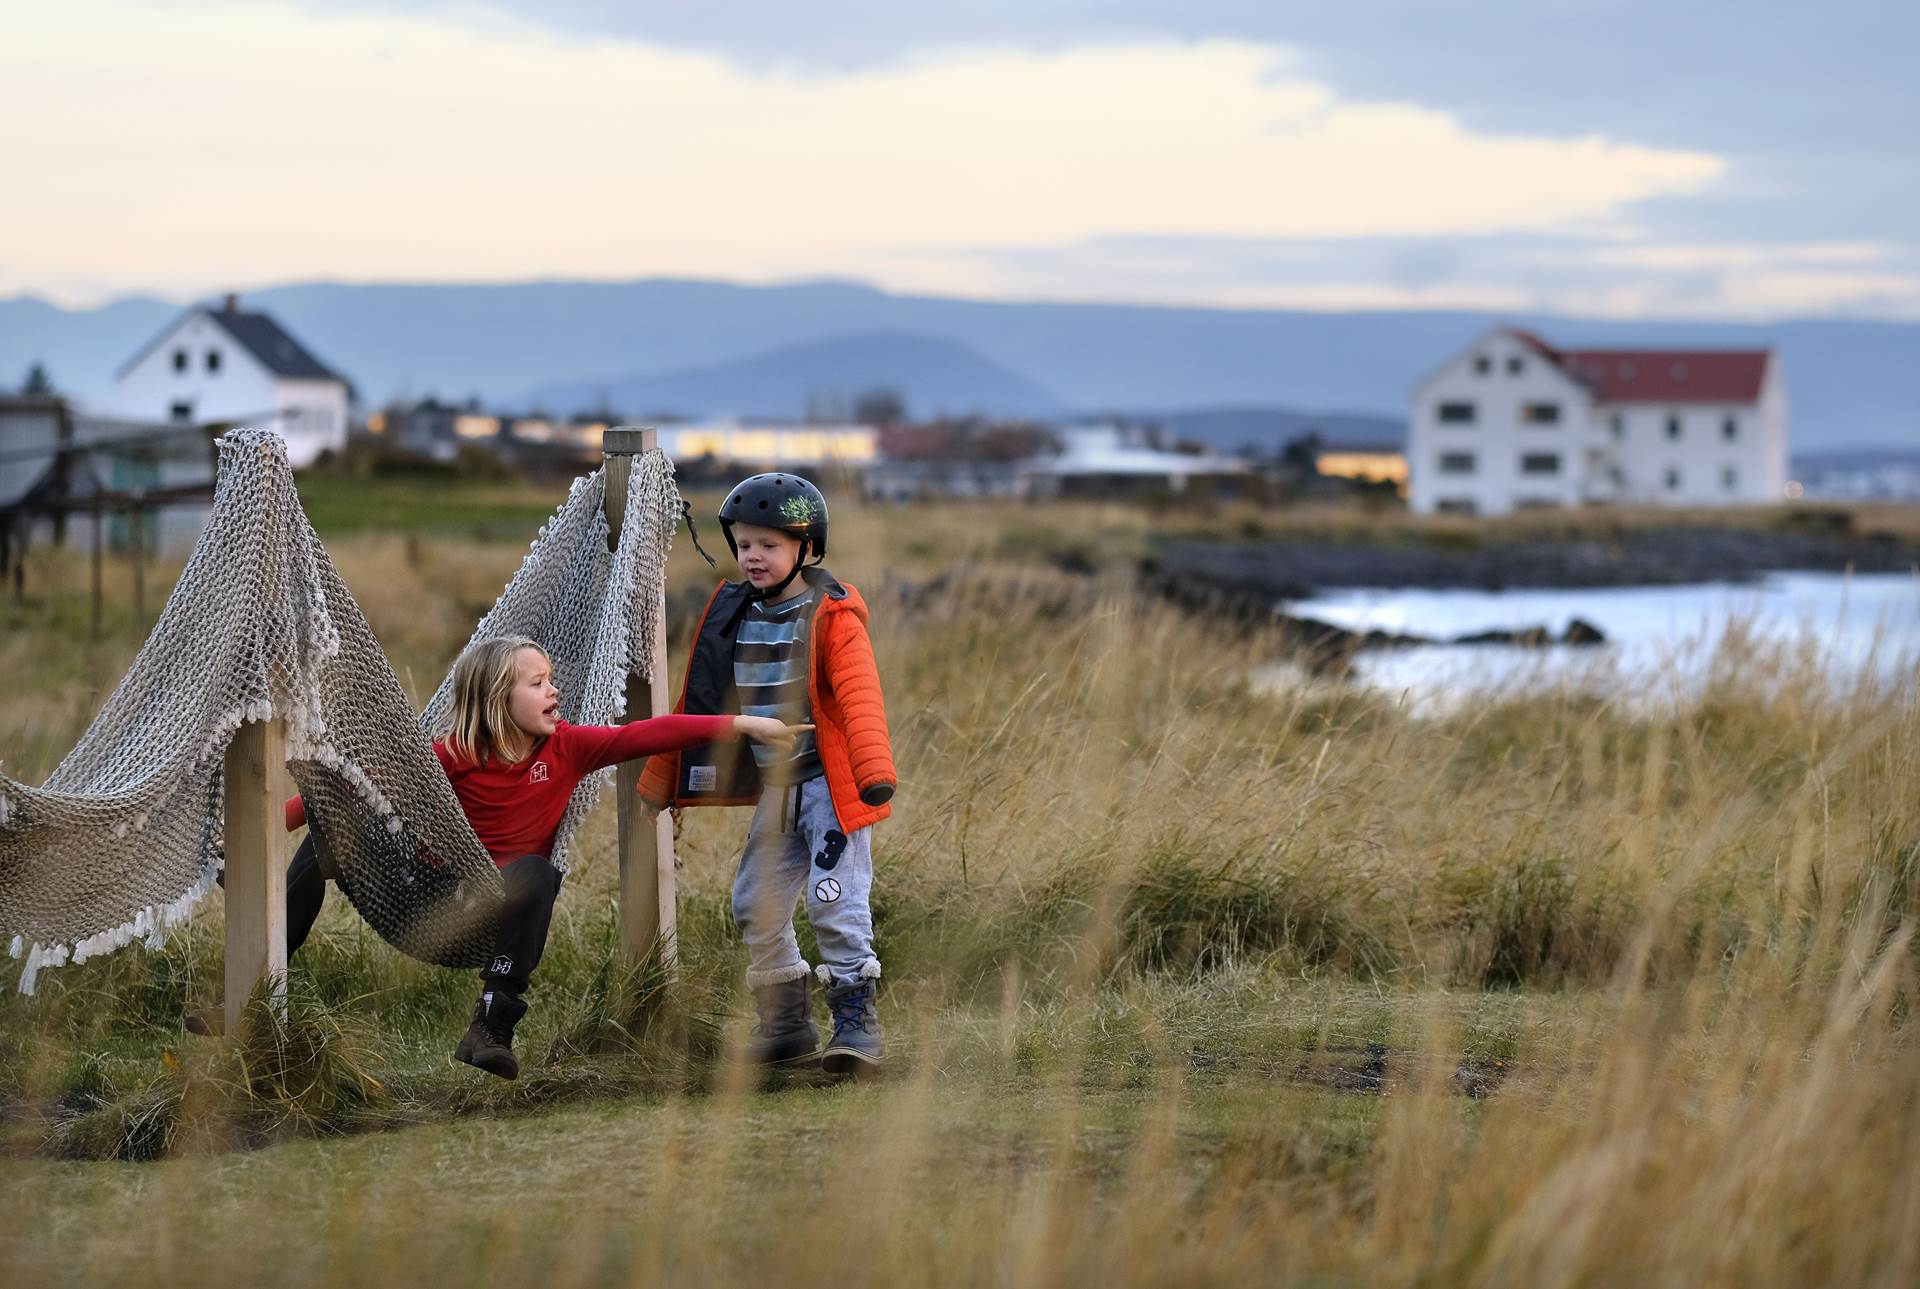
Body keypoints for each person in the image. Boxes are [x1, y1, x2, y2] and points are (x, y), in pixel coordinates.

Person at [213, 635, 804, 1081]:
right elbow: (358, 783)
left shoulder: (567, 747)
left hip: (500, 911)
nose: (554, 692)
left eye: (551, 680)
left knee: (535, 872)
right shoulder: (450, 756)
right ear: (499, 697)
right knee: (327, 824)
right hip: (425, 897)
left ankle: (492, 1025)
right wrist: (257, 834)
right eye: (538, 683)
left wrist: (746, 721)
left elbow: (652, 733)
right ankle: (253, 985)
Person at [638, 473, 896, 1074]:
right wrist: (660, 783)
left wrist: (873, 772)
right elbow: (695, 705)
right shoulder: (733, 615)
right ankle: (785, 1025)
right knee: (755, 902)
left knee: (835, 903)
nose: (753, 556)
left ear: (807, 548)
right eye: (745, 544)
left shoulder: (830, 614)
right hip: (778, 792)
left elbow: (861, 697)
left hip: (832, 790)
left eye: (770, 545)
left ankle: (857, 1025)